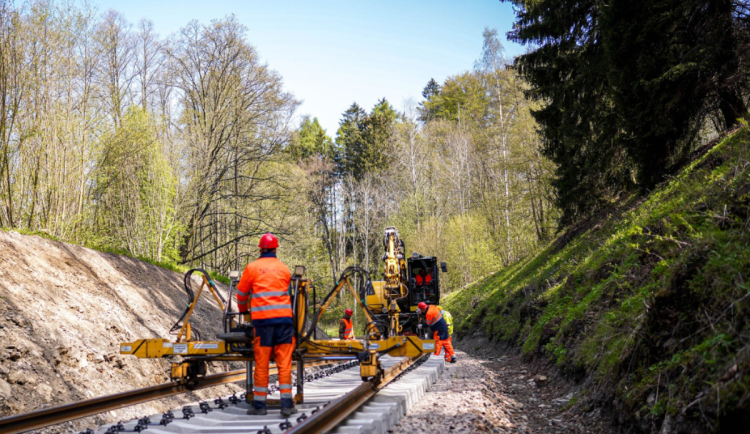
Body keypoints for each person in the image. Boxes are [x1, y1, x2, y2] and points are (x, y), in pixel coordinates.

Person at [236, 233, 297, 417]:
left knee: (262, 364)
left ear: (260, 249)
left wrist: (243, 311)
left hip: (263, 325)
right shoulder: (284, 269)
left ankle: (260, 407)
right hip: (285, 323)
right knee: (284, 364)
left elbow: (241, 294)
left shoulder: (252, 268)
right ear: (275, 249)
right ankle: (287, 405)